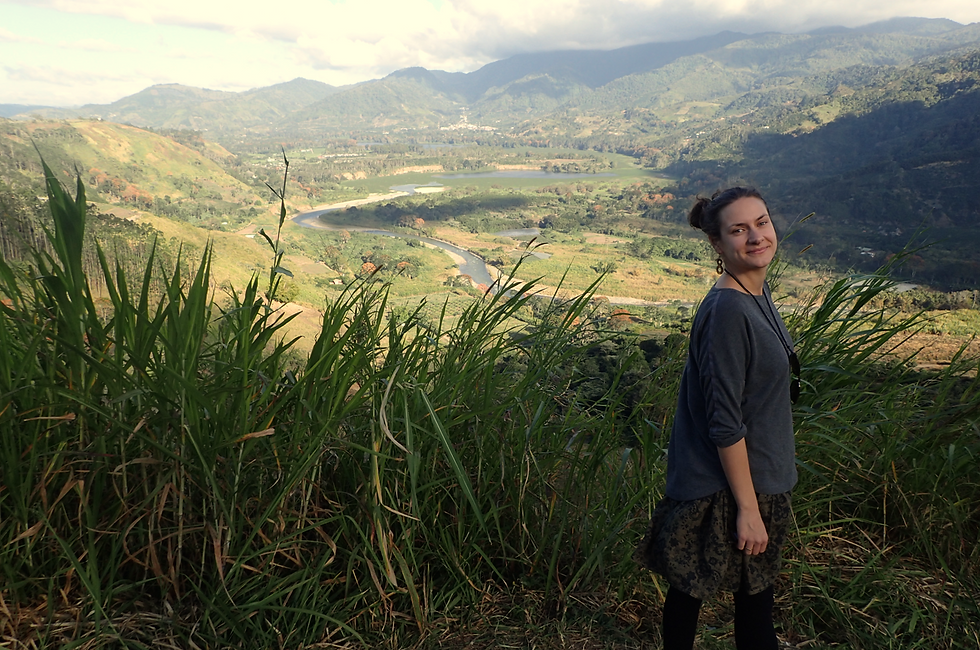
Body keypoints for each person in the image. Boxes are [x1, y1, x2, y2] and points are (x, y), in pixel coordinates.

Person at [635, 187, 798, 650]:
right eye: (738, 230)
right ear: (717, 244)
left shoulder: (755, 290)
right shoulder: (728, 309)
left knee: (732, 601)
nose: (756, 237)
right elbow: (724, 421)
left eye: (761, 222)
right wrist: (748, 509)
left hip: (758, 476)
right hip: (728, 487)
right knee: (731, 607)